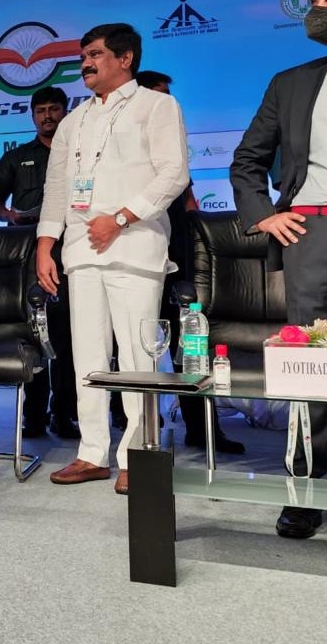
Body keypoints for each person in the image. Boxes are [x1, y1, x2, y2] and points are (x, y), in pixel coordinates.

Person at [37, 23, 188, 495]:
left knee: (138, 356)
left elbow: (174, 173)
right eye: (84, 55)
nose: (86, 63)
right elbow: (57, 187)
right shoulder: (73, 120)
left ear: (126, 59)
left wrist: (121, 218)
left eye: (96, 54)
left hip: (134, 247)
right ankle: (92, 452)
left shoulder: (156, 106)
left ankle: (138, 453)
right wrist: (45, 243)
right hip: (81, 251)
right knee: (87, 355)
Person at [230, 0, 327, 539]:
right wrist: (263, 214)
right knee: (314, 369)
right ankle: (306, 485)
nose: (318, 10)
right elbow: (247, 160)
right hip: (314, 234)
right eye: (313, 2)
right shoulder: (291, 82)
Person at [135, 70, 244, 455]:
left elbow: (188, 201)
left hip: (178, 263)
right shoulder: (126, 146)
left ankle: (202, 429)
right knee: (131, 346)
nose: (168, 102)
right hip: (136, 258)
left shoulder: (172, 146)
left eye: (170, 95)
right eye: (159, 94)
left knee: (190, 347)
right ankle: (135, 426)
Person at [0, 87, 79, 440]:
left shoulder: (78, 152)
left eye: (54, 109)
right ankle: (34, 415)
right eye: (40, 110)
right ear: (32, 115)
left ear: (64, 111)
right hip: (26, 252)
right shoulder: (16, 156)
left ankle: (64, 414)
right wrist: (9, 215)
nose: (47, 116)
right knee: (33, 334)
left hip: (71, 248)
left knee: (67, 337)